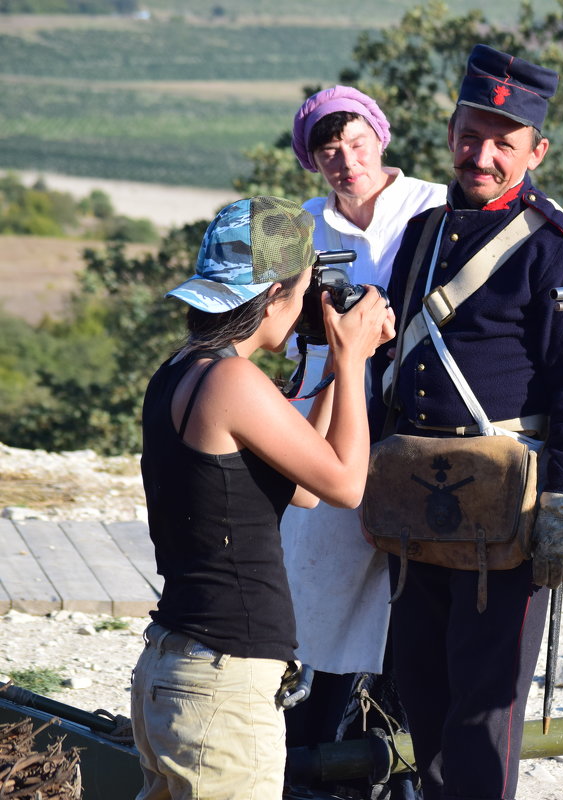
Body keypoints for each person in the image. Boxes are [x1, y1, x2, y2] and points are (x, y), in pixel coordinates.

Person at [373, 44, 563, 800]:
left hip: (501, 512)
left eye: (503, 143)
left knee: (484, 711)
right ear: (450, 135)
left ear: (536, 150)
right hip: (412, 498)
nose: (481, 155)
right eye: (470, 136)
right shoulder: (421, 235)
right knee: (416, 686)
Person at [131, 196, 394, 799]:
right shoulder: (232, 381)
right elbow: (347, 484)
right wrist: (353, 361)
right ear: (274, 294)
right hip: (220, 686)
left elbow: (303, 487)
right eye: (301, 290)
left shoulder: (186, 369)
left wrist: (331, 371)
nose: (305, 304)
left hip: (177, 670)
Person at [279, 85, 445, 755]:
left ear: (381, 137)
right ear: (312, 162)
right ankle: (319, 729)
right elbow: (278, 333)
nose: (347, 161)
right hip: (325, 398)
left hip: (423, 410)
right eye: (329, 150)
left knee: (419, 573)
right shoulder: (296, 227)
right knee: (318, 566)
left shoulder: (435, 206)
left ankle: (399, 725)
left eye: (356, 143)